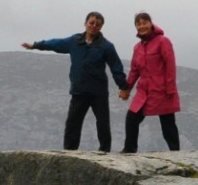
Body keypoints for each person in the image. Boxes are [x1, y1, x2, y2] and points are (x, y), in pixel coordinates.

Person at [22, 13, 130, 151]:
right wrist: (36, 45)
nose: (94, 26)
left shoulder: (106, 46)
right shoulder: (75, 41)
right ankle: (69, 152)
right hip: (79, 90)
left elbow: (116, 67)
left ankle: (104, 151)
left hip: (99, 92)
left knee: (103, 124)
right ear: (85, 23)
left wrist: (123, 86)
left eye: (98, 24)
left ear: (101, 27)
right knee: (73, 123)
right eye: (91, 23)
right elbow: (55, 43)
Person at [122, 12, 180, 153]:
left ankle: (176, 153)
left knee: (167, 123)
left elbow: (170, 66)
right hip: (144, 91)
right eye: (138, 23)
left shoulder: (163, 41)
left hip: (162, 90)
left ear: (151, 23)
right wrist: (126, 88)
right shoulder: (138, 47)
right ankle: (129, 150)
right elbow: (134, 71)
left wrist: (170, 89)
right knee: (131, 118)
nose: (142, 26)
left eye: (144, 22)